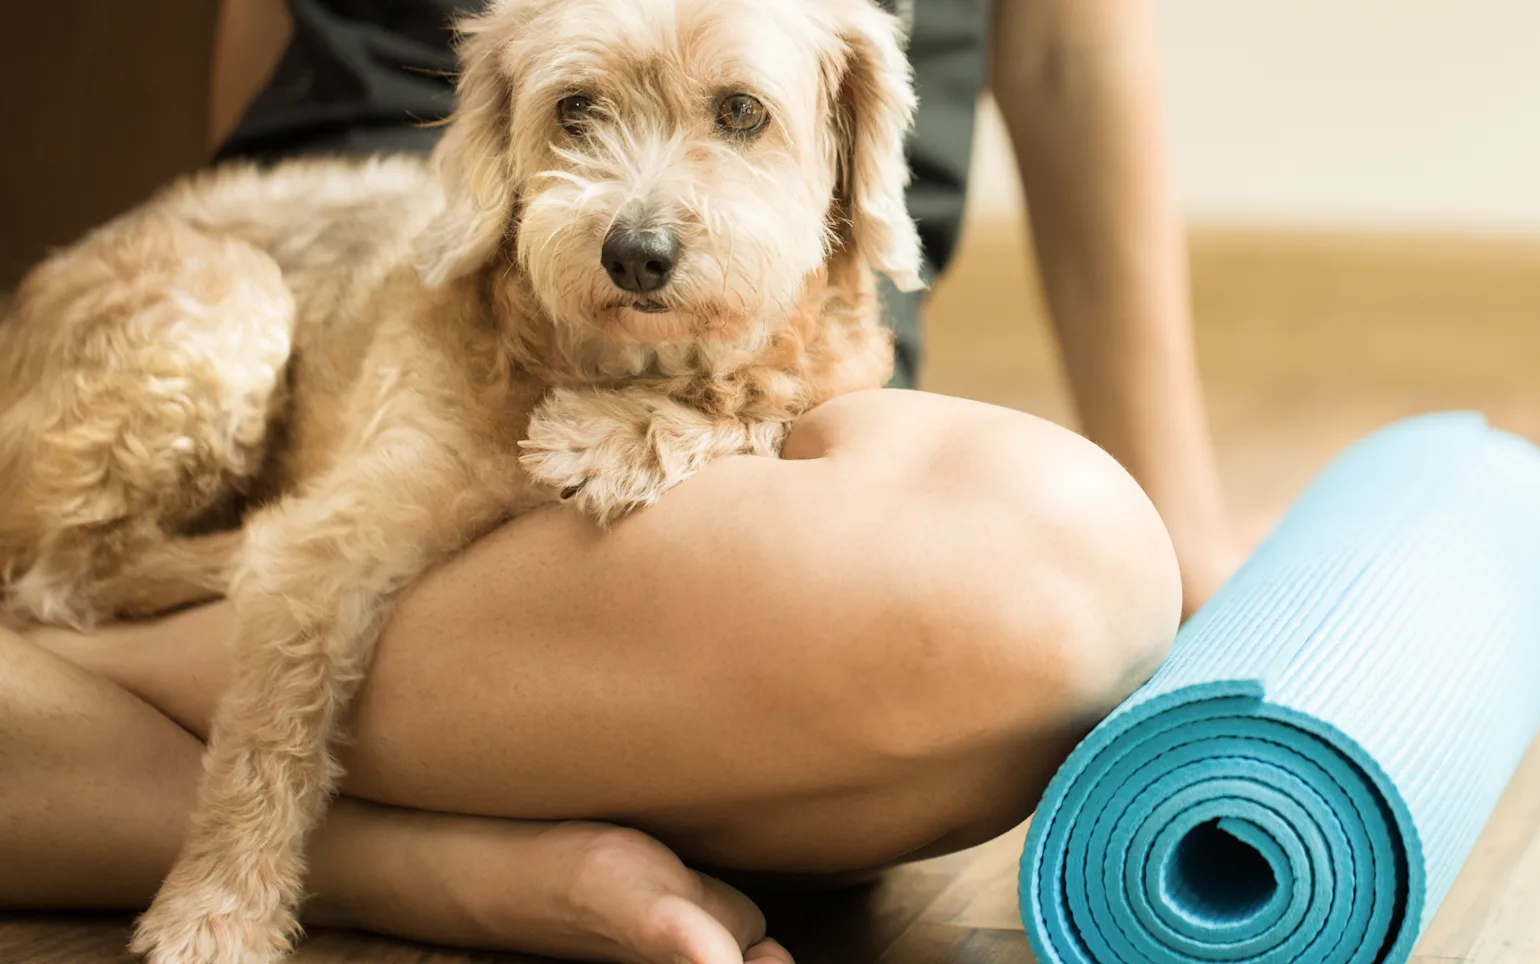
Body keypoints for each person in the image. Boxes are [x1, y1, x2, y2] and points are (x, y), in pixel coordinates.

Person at [0, 0, 1237, 962]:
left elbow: (1071, 51)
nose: (645, 213)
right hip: (427, 235)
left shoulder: (842, 84)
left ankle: (81, 691)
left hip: (780, 353)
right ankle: (424, 853)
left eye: (741, 116)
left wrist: (1202, 568)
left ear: (850, 132)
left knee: (1046, 592)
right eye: (583, 108)